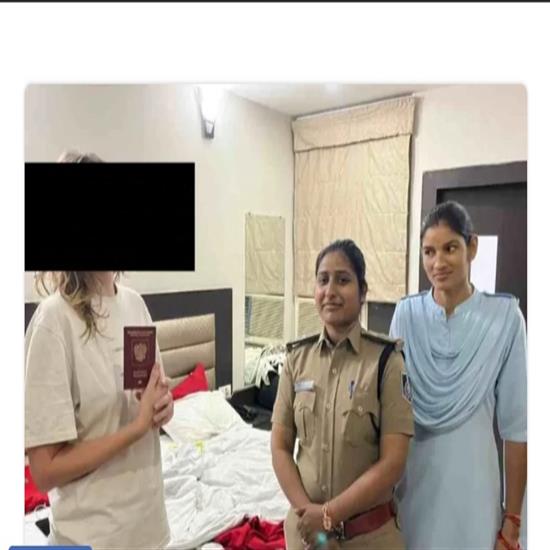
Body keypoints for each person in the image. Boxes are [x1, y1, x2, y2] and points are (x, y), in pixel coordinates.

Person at [25, 151, 174, 549]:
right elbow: (44, 472)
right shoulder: (53, 322)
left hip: (149, 528)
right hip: (92, 538)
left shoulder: (135, 304)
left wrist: (163, 408)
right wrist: (135, 429)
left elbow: (150, 401)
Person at [389, 201, 527, 550]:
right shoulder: (406, 315)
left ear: (472, 247)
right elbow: (390, 413)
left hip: (474, 489)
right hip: (414, 484)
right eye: (429, 251)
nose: (438, 263)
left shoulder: (505, 318)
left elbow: (517, 428)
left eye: (450, 248)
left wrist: (512, 520)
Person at [271, 239, 414, 549]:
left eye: (343, 280)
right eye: (323, 280)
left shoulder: (387, 362)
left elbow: (394, 462)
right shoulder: (296, 359)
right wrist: (310, 519)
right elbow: (280, 447)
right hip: (307, 538)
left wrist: (327, 516)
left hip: (370, 538)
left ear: (363, 292)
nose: (330, 290)